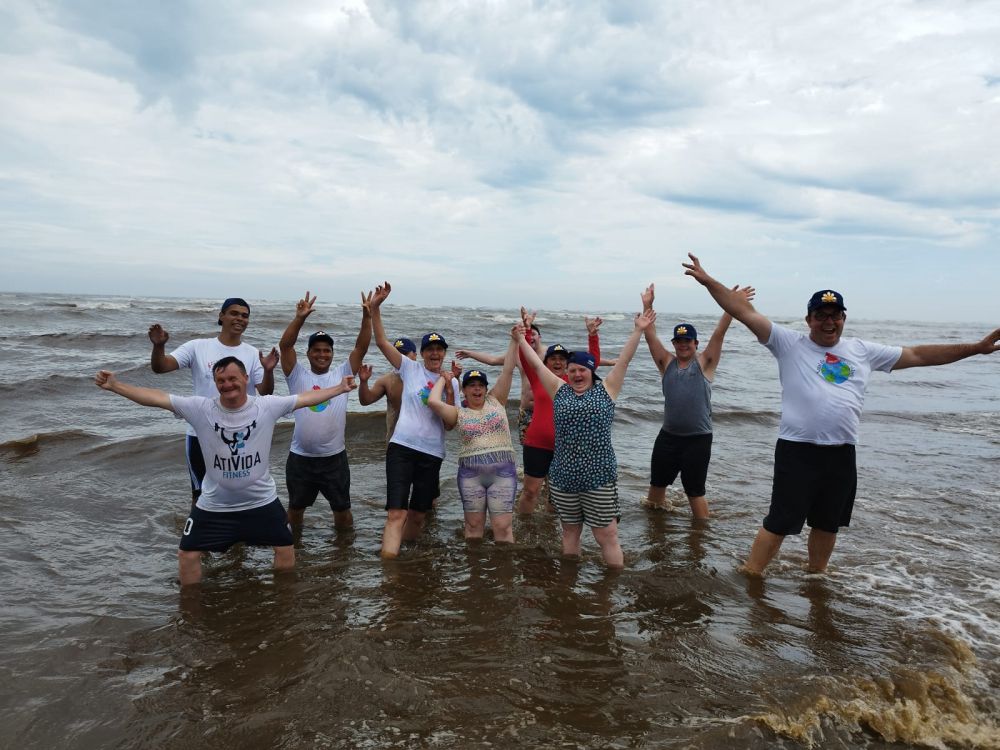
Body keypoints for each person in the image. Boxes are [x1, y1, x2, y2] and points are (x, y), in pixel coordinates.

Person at [682, 253, 1000, 575]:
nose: (829, 322)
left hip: (841, 454)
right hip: (797, 450)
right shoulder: (787, 343)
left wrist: (975, 348)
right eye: (821, 315)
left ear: (844, 319)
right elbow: (742, 311)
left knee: (828, 524)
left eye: (835, 315)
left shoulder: (862, 351)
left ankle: (816, 578)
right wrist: (708, 280)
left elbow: (919, 354)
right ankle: (751, 575)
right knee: (779, 522)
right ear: (809, 320)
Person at [94, 357, 356, 585]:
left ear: (245, 378)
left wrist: (339, 388)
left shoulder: (266, 405)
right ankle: (191, 610)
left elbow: (305, 398)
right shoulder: (201, 409)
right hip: (214, 505)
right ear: (216, 383)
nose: (227, 385)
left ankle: (282, 599)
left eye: (233, 378)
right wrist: (116, 386)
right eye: (221, 381)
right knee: (186, 553)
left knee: (285, 548)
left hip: (261, 501)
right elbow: (158, 398)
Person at [517, 310, 656, 567]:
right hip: (564, 477)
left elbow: (624, 361)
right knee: (570, 533)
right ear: (566, 373)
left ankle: (610, 592)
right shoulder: (559, 390)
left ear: (592, 372)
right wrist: (522, 337)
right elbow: (536, 364)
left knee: (607, 535)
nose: (577, 375)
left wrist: (638, 330)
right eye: (572, 370)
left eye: (582, 370)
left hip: (598, 478)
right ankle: (568, 585)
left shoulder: (607, 391)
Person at [639, 282, 755, 519]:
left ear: (695, 344)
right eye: (679, 341)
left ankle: (701, 535)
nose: (683, 345)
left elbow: (719, 334)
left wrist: (731, 305)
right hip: (668, 438)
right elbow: (649, 335)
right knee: (656, 486)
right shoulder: (666, 363)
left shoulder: (705, 363)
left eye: (687, 341)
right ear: (673, 344)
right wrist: (648, 305)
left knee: (694, 491)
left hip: (697, 440)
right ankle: (655, 527)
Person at [148, 298, 278, 507]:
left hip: (241, 434)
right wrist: (159, 347)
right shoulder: (198, 347)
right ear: (221, 316)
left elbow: (265, 391)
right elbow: (160, 367)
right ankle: (200, 536)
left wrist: (269, 371)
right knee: (200, 492)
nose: (240, 319)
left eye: (245, 316)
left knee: (242, 489)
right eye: (234, 313)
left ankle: (238, 536)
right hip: (201, 434)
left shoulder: (253, 353)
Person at [368, 282, 459, 558]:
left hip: (431, 454)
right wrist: (375, 310)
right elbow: (382, 342)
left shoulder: (451, 381)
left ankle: (404, 557)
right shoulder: (410, 369)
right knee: (396, 512)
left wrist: (450, 388)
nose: (434, 353)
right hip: (402, 449)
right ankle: (389, 567)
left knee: (418, 516)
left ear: (444, 353)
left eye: (439, 349)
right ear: (421, 353)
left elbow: (450, 425)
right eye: (429, 349)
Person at [278, 290, 372, 531]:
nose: (322, 354)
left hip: (334, 459)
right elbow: (285, 345)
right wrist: (299, 318)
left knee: (342, 510)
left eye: (326, 350)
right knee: (296, 510)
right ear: (308, 353)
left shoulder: (342, 374)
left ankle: (343, 553)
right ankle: (294, 548)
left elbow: (361, 346)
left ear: (332, 354)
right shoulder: (297, 375)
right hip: (301, 459)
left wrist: (367, 316)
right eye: (316, 350)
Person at [428, 326, 521, 543]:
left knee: (503, 527)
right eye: (471, 386)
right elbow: (433, 401)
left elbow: (508, 369)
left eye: (481, 385)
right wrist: (445, 378)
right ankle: (475, 572)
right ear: (465, 390)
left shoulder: (496, 400)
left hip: (503, 474)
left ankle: (504, 572)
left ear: (486, 389)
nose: (477, 389)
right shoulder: (458, 411)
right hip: (471, 476)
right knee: (473, 527)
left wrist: (515, 340)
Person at [516, 310, 604, 513]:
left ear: (568, 364)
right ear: (545, 362)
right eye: (552, 358)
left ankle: (549, 527)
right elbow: (525, 355)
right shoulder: (538, 378)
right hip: (537, 443)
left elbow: (593, 363)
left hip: (565, 447)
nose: (557, 362)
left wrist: (592, 336)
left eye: (562, 359)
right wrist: (527, 332)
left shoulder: (574, 382)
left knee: (556, 494)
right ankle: (525, 525)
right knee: (531, 491)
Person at [358, 337, 418, 442]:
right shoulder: (386, 380)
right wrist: (363, 382)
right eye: (396, 354)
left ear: (415, 355)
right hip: (395, 439)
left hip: (422, 440)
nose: (400, 358)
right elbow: (365, 401)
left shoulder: (424, 377)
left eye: (404, 354)